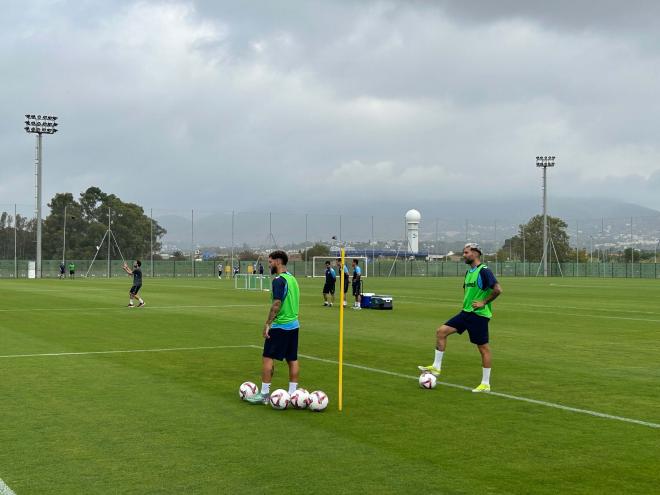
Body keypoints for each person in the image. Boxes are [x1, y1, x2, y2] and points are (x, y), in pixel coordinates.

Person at [418, 243, 502, 392]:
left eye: (466, 252)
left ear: (475, 253)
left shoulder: (484, 271)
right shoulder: (469, 272)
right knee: (441, 332)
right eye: (464, 253)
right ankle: (436, 368)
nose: (464, 255)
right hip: (465, 313)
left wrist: (483, 302)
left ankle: (485, 384)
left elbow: (497, 289)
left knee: (483, 348)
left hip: (478, 316)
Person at [247, 250, 301, 404]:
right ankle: (292, 394)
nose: (269, 265)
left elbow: (277, 303)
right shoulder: (293, 279)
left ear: (278, 261)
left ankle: (264, 394)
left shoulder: (279, 280)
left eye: (270, 262)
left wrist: (267, 324)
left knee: (267, 358)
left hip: (280, 326)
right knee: (292, 359)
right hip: (294, 325)